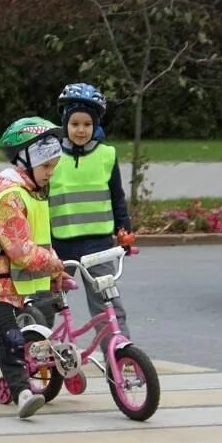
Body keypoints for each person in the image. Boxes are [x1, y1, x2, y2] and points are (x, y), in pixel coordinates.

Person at [0, 117, 67, 420]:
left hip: (9, 281)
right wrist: (53, 264)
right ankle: (22, 393)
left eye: (53, 167)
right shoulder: (11, 198)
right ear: (27, 161)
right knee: (10, 336)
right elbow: (21, 250)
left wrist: (56, 270)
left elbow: (40, 241)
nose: (50, 173)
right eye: (46, 167)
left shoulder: (32, 194)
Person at [49, 83, 133, 350]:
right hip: (59, 243)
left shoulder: (106, 155)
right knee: (45, 300)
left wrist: (124, 230)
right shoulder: (51, 156)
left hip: (99, 245)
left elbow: (117, 197)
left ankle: (119, 353)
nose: (81, 130)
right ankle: (30, 348)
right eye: (75, 123)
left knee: (107, 302)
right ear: (65, 123)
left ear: (95, 125)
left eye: (87, 123)